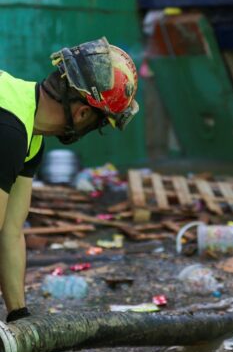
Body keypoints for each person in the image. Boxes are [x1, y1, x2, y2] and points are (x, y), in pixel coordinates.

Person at [0, 37, 139, 323]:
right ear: (83, 112)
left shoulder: (29, 135)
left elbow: (11, 231)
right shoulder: (10, 130)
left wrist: (19, 316)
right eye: (99, 123)